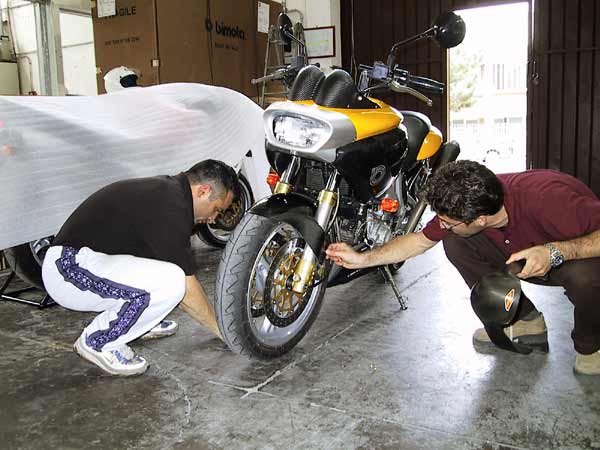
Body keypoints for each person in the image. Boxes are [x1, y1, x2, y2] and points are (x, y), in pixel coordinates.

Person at [326, 160, 600, 375]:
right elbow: (419, 242)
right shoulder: (464, 205)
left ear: (480, 219)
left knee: (586, 276)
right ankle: (525, 321)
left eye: (447, 222)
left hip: (574, 254)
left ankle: (592, 345)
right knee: (455, 243)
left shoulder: (548, 200)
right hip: (520, 256)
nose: (442, 226)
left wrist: (556, 252)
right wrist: (362, 259)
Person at [41, 159, 237, 376]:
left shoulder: (168, 192)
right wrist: (224, 331)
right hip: (68, 270)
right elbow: (187, 291)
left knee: (167, 275)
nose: (212, 219)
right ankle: (98, 341)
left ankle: (139, 321)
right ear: (203, 191)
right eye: (217, 209)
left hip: (86, 262)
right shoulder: (171, 206)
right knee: (173, 282)